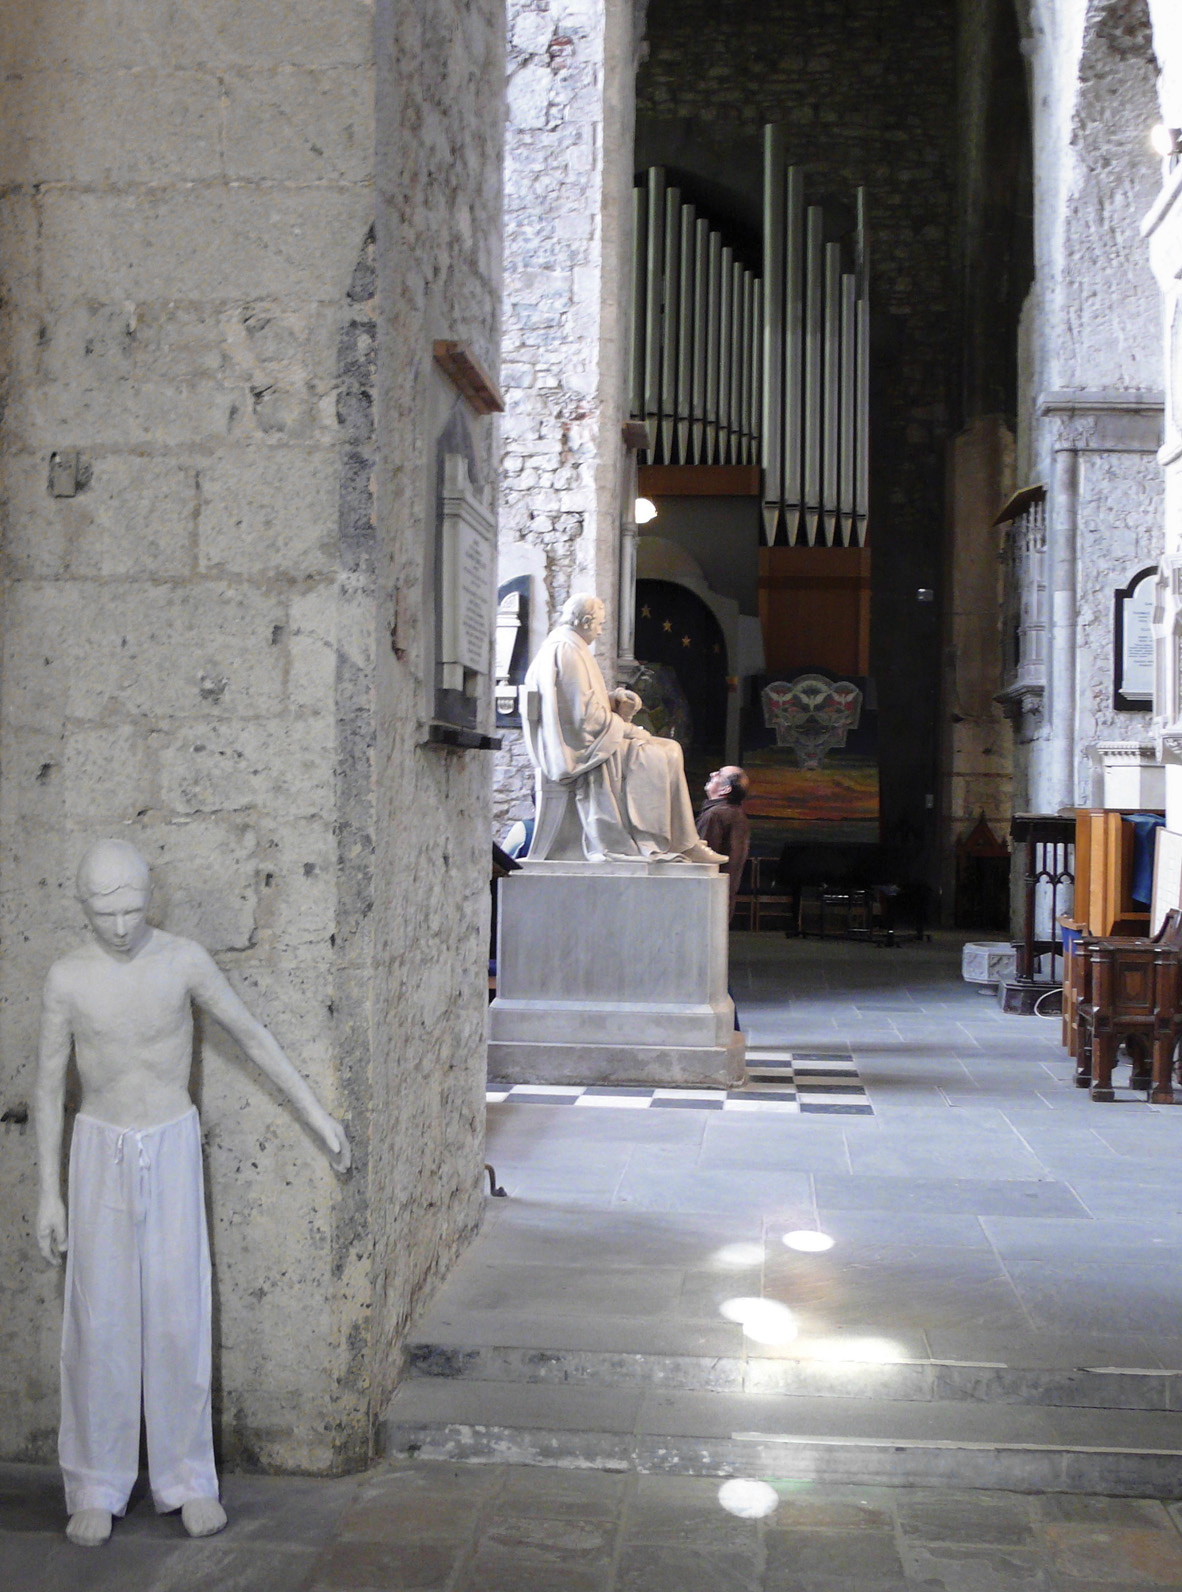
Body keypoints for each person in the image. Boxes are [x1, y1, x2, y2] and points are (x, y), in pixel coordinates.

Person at [35, 840, 350, 1549]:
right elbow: (49, 1088)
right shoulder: (67, 978)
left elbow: (251, 1034)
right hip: (99, 1147)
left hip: (171, 1142)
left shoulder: (182, 961)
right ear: (82, 905)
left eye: (132, 909)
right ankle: (95, 1481)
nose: (120, 927)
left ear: (152, 897)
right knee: (99, 1321)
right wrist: (47, 1195)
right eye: (104, 913)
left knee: (180, 1312)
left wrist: (317, 1114)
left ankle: (186, 1479)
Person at [522, 593, 725, 864]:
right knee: (665, 752)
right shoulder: (567, 651)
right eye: (600, 624)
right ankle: (667, 842)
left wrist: (614, 700)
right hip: (581, 751)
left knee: (669, 750)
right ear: (585, 621)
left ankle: (683, 842)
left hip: (592, 739)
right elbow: (583, 721)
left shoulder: (571, 646)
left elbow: (582, 705)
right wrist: (626, 725)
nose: (601, 629)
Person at [697, 765, 751, 922]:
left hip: (706, 895)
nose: (712, 773)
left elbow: (701, 858)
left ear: (725, 789)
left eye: (719, 775)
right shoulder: (737, 814)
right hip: (722, 895)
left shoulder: (715, 815)